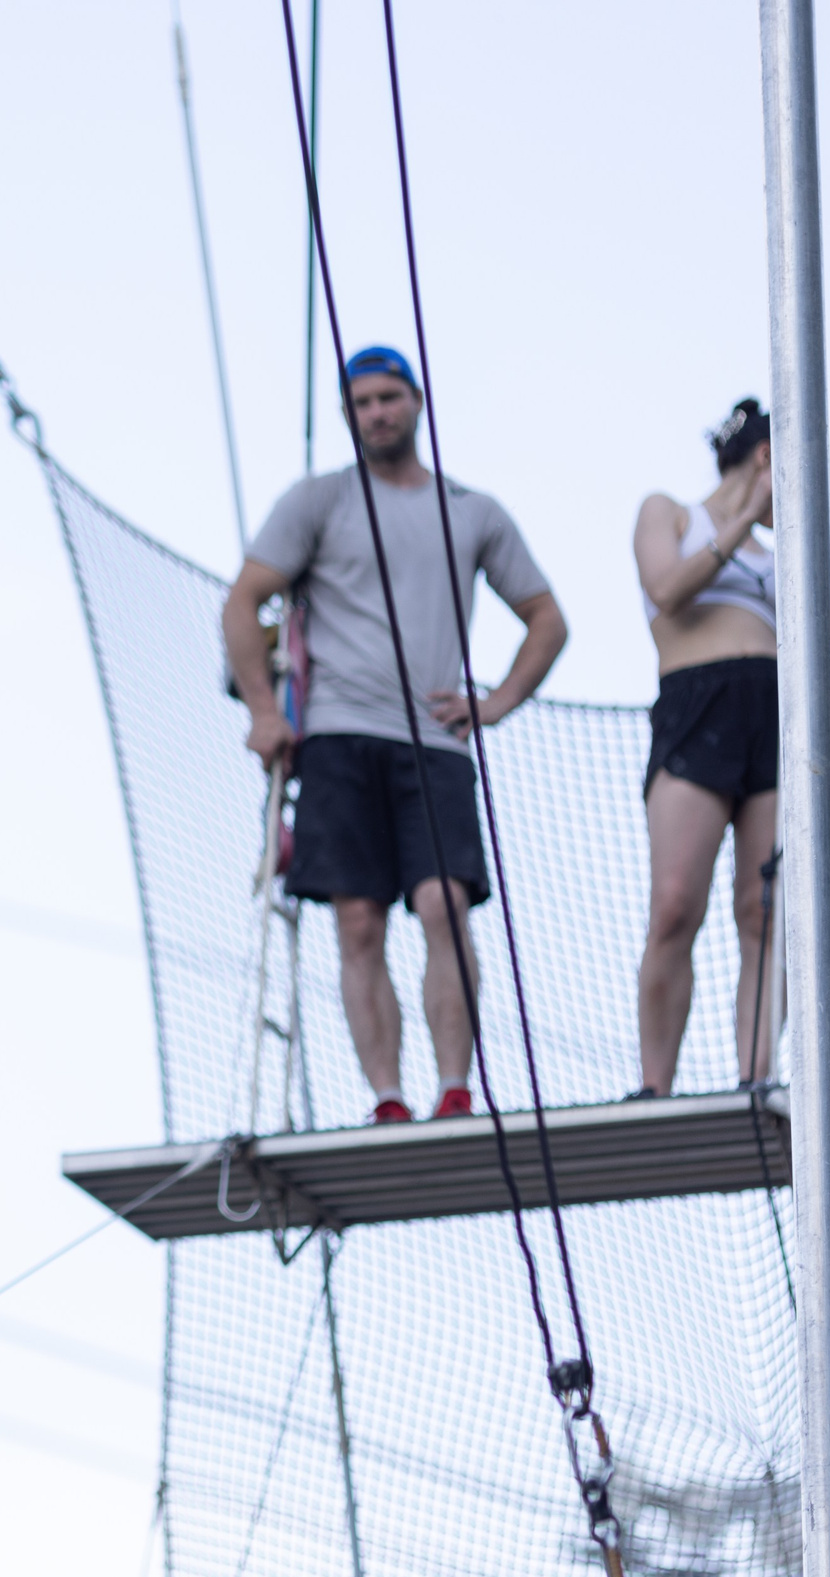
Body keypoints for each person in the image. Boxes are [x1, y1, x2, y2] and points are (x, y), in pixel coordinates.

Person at [222, 347, 569, 1125]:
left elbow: (547, 617)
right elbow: (243, 601)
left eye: (388, 398)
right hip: (339, 737)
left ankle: (454, 1086)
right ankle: (387, 1096)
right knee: (358, 918)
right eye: (361, 403)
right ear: (350, 417)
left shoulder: (472, 510)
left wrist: (499, 700)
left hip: (434, 743)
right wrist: (264, 713)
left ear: (417, 402)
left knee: (445, 904)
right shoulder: (318, 502)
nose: (376, 413)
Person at [631, 398, 778, 1097]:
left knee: (763, 908)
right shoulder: (673, 513)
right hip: (697, 703)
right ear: (764, 458)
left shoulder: (782, 552)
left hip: (771, 714)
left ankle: (756, 1074)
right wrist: (744, 516)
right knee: (675, 902)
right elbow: (666, 591)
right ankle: (655, 1084)